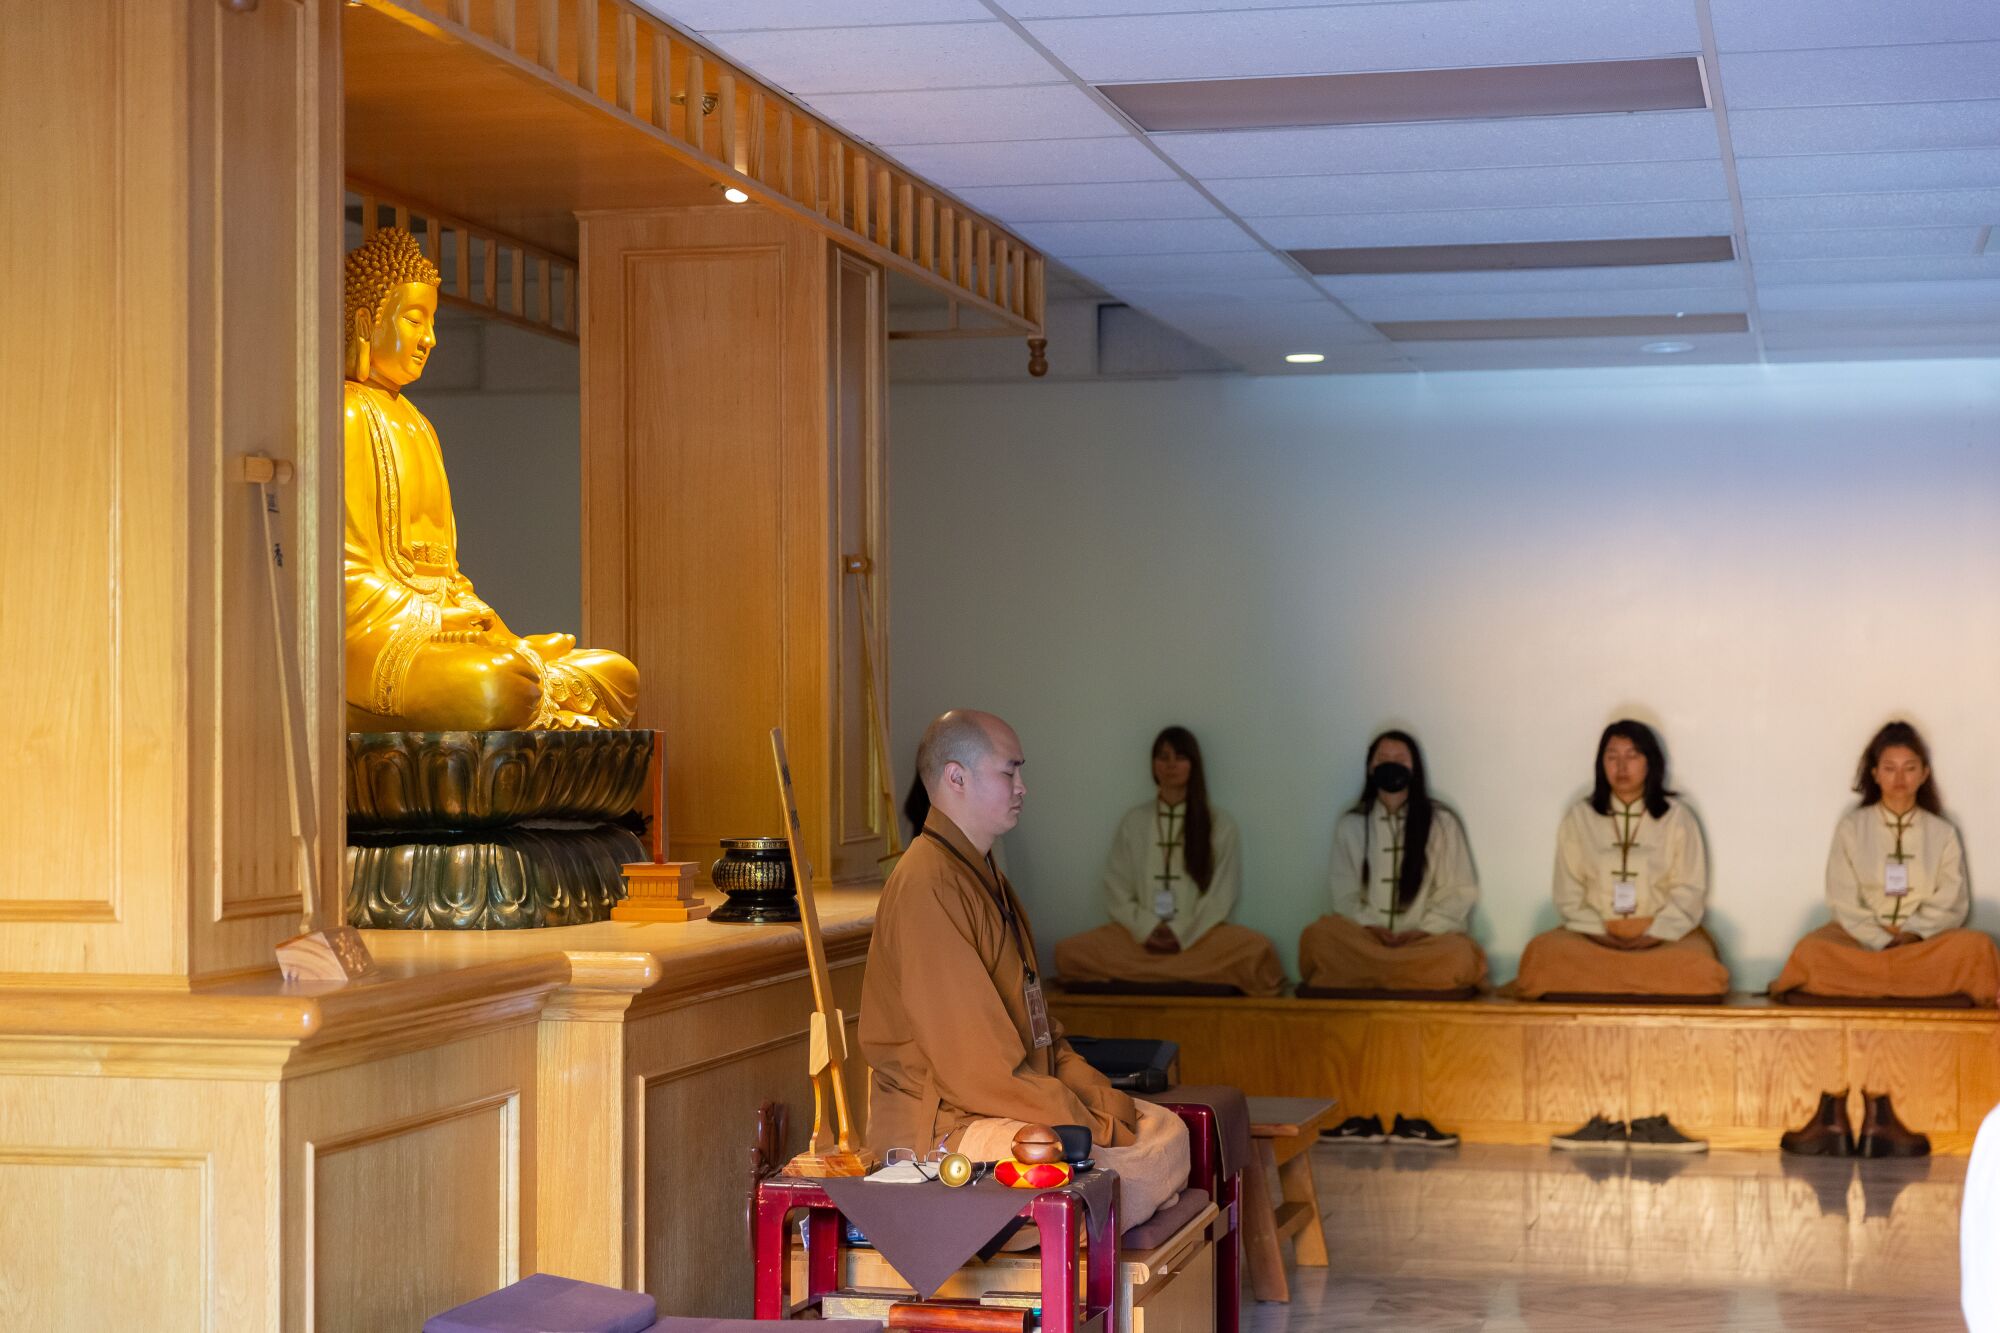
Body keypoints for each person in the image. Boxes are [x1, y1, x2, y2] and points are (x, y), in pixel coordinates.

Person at [861, 710, 1189, 1227]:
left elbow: (1041, 1035)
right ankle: (1097, 1214)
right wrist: (1087, 1117)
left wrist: (1099, 1098)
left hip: (1012, 1102)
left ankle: (1105, 1198)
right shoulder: (928, 882)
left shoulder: (983, 874)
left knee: (1165, 1128)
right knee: (1128, 1160)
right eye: (1009, 772)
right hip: (947, 1131)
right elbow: (976, 1069)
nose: (1023, 787)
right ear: (956, 777)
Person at [1770, 720, 1999, 1007]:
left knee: (1978, 948)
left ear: (1924, 773)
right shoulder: (1852, 827)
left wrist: (1913, 933)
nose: (1899, 778)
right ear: (1875, 774)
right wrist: (1878, 939)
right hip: (1859, 943)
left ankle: (1875, 981)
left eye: (1909, 768)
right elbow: (1842, 897)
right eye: (1890, 768)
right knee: (1811, 951)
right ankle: (1905, 981)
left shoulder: (1942, 832)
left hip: (1923, 945)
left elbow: (1952, 899)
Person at [1508, 719, 1729, 1002]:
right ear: (1601, 764)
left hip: (1660, 939)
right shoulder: (1580, 816)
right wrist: (1600, 933)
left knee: (1699, 963)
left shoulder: (1676, 817)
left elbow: (1690, 888)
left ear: (1651, 762)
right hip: (1593, 937)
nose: (1621, 767)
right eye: (1612, 757)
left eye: (1632, 756)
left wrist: (1655, 934)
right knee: (1543, 954)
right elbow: (1568, 889)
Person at [1053, 727, 1285, 996]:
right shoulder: (1134, 821)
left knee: (1257, 950)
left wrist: (1180, 932)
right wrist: (1148, 928)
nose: (1171, 764)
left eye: (1180, 757)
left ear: (1194, 764)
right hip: (1140, 942)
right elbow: (1116, 890)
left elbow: (1221, 896)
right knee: (1068, 953)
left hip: (1198, 939)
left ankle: (1149, 974)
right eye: (1163, 757)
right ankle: (1180, 973)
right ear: (1153, 765)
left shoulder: (1220, 824)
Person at [1297, 729, 1486, 997]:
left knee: (1460, 955)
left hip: (1425, 944)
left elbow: (1459, 891)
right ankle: (1404, 975)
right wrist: (1370, 927)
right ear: (1370, 767)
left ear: (1415, 768)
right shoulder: (1351, 824)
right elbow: (1344, 894)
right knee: (1317, 939)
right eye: (1383, 758)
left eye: (1400, 758)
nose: (1391, 763)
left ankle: (1379, 974)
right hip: (1365, 941)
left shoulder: (1442, 823)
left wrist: (1422, 931)